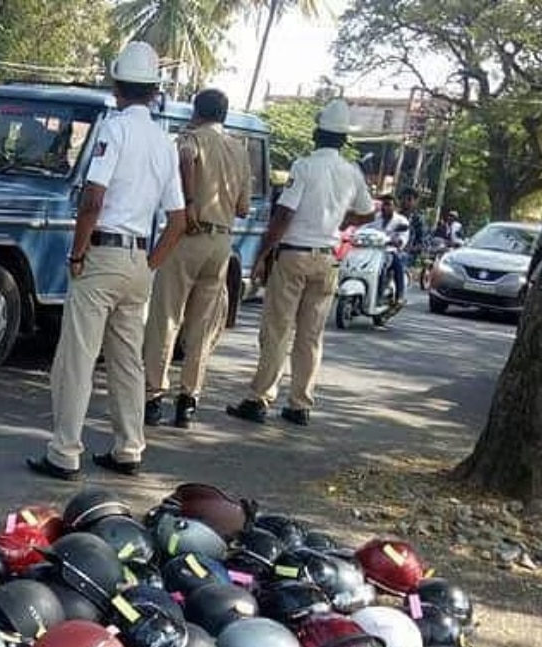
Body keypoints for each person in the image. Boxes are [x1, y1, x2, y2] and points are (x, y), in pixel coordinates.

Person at [26, 41, 186, 480]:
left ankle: (64, 453)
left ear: (117, 86)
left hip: (103, 254)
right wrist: (151, 263)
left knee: (77, 357)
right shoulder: (165, 142)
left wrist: (78, 253)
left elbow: (93, 198)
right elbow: (178, 219)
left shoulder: (113, 130)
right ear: (154, 91)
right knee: (127, 361)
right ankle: (129, 448)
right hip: (139, 262)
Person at [225, 98, 374, 428]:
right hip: (328, 259)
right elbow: (368, 211)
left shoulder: (304, 167)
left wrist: (264, 252)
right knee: (310, 336)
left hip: (293, 254)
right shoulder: (352, 173)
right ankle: (300, 404)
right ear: (343, 140)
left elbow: (284, 214)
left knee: (278, 330)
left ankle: (259, 398)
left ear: (316, 134)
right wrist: (340, 221)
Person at [142, 87, 250, 430]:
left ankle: (153, 396)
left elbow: (186, 157)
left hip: (189, 235)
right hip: (222, 242)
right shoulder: (239, 150)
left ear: (196, 111)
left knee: (166, 317)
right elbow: (244, 207)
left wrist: (189, 201)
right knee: (202, 324)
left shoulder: (190, 138)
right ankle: (189, 400)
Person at [370, 193, 410, 302]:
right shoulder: (375, 217)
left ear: (395, 207)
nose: (384, 207)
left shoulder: (401, 221)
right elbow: (364, 227)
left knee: (397, 265)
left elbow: (403, 238)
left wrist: (397, 241)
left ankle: (399, 294)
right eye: (383, 204)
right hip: (371, 250)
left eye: (388, 205)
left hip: (389, 251)